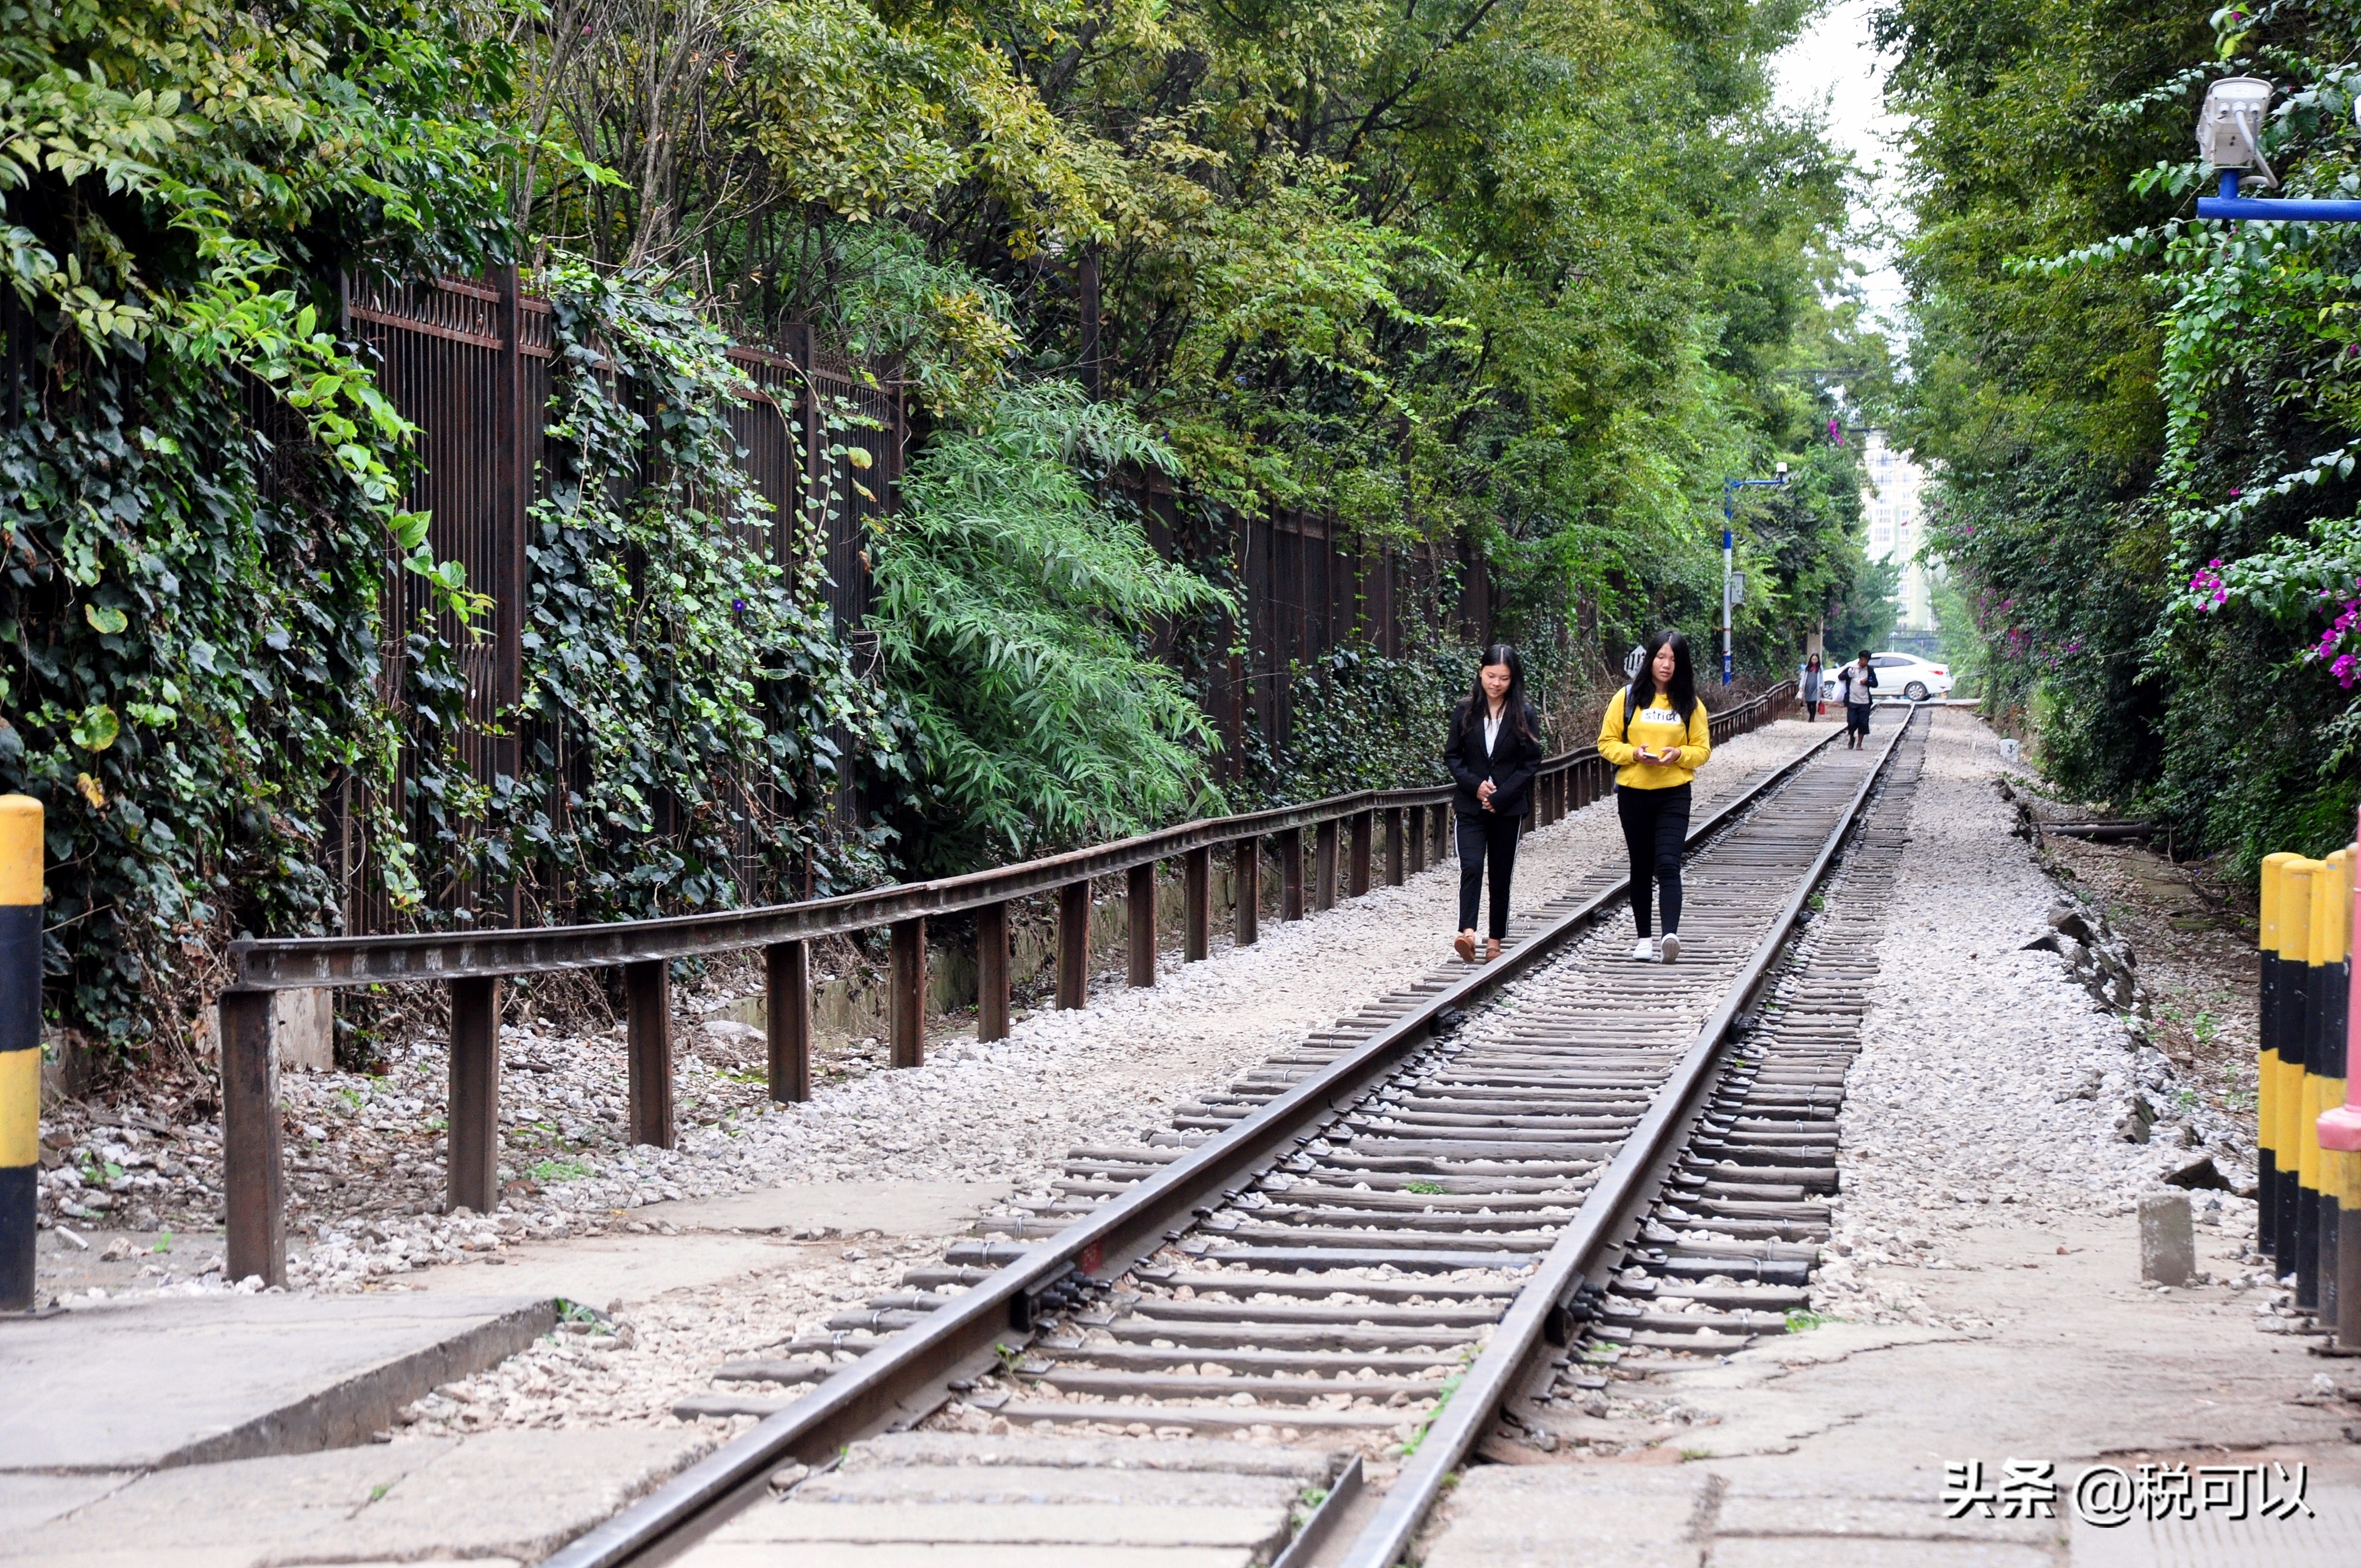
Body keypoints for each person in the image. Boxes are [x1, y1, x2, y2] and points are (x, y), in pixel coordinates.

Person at [1597, 630, 1710, 964]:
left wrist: (1680, 755)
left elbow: (1702, 749)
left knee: (1668, 862)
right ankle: (1644, 938)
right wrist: (1634, 754)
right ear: (1650, 659)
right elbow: (1606, 743)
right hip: (1634, 792)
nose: (1666, 665)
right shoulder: (1628, 698)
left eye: (1673, 659)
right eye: (1661, 657)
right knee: (1641, 865)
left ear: (1682, 665)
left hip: (1674, 793)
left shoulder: (1690, 703)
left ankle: (1669, 936)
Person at [1443, 644, 1544, 964]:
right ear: (1480, 672)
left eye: (1503, 678)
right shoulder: (1465, 711)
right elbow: (1453, 756)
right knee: (1471, 866)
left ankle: (1495, 939)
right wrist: (1476, 788)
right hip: (1471, 806)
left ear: (1513, 680)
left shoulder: (1524, 714)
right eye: (1491, 676)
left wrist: (1500, 796)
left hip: (1508, 808)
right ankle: (1467, 933)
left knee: (1501, 873)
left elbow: (1530, 763)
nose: (1496, 684)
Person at [1835, 649, 1877, 748]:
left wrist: (1867, 682)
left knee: (1863, 722)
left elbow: (1875, 683)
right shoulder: (1852, 668)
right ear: (1860, 659)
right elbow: (1841, 677)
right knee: (1852, 721)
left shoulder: (1870, 670)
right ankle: (1851, 737)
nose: (1864, 662)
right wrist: (1848, 674)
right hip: (1852, 700)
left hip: (1865, 701)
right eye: (1863, 660)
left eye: (1866, 660)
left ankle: (1860, 744)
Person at [1798, 653, 1824, 721]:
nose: (1814, 661)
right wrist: (1801, 686)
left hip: (1816, 688)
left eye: (1816, 659)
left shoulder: (1820, 668)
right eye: (1813, 659)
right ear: (1811, 660)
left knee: (1814, 702)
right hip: (1807, 688)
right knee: (1809, 703)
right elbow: (1804, 677)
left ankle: (1812, 718)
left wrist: (1822, 686)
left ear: (1818, 660)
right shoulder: (1807, 668)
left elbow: (1821, 678)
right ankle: (1810, 715)